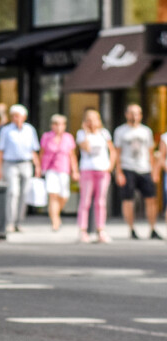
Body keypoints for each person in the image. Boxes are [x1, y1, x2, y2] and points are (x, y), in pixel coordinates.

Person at [111, 103, 160, 240]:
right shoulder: (120, 131)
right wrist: (118, 172)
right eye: (132, 113)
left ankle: (152, 228)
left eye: (137, 113)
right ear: (126, 114)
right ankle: (131, 229)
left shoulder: (146, 131)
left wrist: (154, 170)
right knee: (128, 200)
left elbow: (150, 152)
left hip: (145, 168)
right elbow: (117, 153)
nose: (134, 116)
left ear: (141, 115)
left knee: (151, 199)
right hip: (128, 168)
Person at [0, 104, 40, 233]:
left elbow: (33, 150)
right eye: (13, 116)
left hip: (26, 164)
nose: (16, 118)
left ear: (24, 117)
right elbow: (0, 151)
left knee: (24, 193)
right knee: (13, 192)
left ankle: (19, 222)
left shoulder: (30, 130)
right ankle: (10, 222)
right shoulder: (6, 130)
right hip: (10, 164)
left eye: (18, 116)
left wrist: (37, 166)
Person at [75, 108, 113, 244]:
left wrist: (110, 166)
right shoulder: (81, 134)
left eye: (94, 119)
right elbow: (86, 148)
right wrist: (85, 131)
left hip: (102, 171)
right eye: (89, 120)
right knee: (85, 201)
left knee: (100, 202)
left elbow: (112, 150)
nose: (91, 122)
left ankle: (100, 230)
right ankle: (83, 230)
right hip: (87, 170)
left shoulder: (104, 133)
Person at [39, 114, 76, 231]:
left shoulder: (68, 137)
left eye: (61, 124)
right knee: (53, 195)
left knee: (64, 195)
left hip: (64, 169)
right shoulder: (46, 137)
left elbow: (72, 155)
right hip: (50, 169)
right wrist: (39, 168)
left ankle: (56, 214)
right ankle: (55, 221)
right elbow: (42, 153)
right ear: (52, 125)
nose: (58, 127)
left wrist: (75, 170)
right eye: (56, 124)